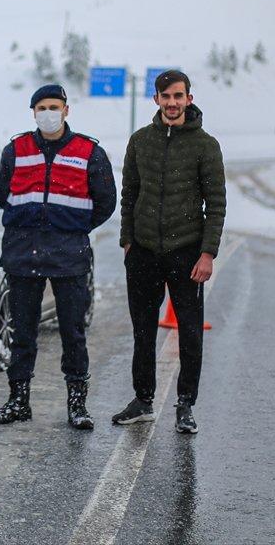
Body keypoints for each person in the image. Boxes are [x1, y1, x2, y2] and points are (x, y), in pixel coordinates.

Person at [0, 84, 116, 429]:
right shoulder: (16, 149)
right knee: (22, 333)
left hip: (68, 257)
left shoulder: (89, 152)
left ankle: (77, 403)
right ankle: (18, 400)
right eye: (41, 107)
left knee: (73, 333)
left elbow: (106, 203)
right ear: (33, 112)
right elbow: (2, 194)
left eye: (53, 106)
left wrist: (72, 227)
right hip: (22, 254)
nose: (48, 113)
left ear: (66, 110)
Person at [112, 70, 225, 435]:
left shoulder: (205, 145)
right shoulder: (140, 141)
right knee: (143, 331)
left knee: (190, 333)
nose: (172, 103)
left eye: (179, 96)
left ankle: (185, 404)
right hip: (143, 252)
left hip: (186, 253)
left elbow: (216, 205)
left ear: (189, 99)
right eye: (166, 96)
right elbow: (128, 195)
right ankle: (143, 400)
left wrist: (207, 253)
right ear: (156, 99)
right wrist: (128, 242)